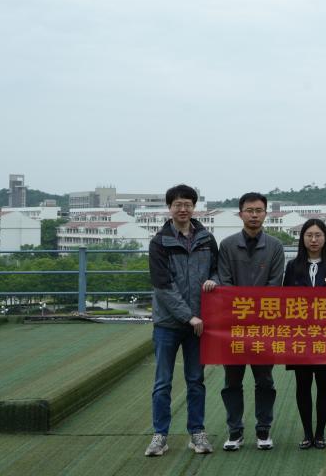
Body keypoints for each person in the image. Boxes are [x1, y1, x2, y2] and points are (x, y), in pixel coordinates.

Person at [145, 184, 218, 457]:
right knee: (162, 382)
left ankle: (197, 433)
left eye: (187, 204)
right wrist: (189, 317)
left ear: (194, 207)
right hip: (169, 324)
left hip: (199, 324)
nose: (183, 209)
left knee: (196, 380)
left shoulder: (206, 239)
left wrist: (215, 280)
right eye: (178, 204)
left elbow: (217, 271)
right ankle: (160, 436)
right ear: (170, 208)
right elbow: (162, 286)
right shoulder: (160, 242)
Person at [215, 192, 285, 451]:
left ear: (265, 213)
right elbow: (224, 283)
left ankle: (263, 430)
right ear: (240, 213)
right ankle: (235, 432)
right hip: (232, 325)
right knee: (232, 380)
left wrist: (256, 312)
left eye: (259, 210)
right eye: (249, 210)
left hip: (264, 325)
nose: (254, 215)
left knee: (264, 380)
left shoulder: (275, 246)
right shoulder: (227, 245)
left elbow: (274, 285)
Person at [283, 218, 326, 450]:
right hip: (300, 336)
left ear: (325, 238)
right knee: (302, 384)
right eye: (309, 235)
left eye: (318, 235)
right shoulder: (293, 266)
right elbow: (284, 301)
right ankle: (307, 433)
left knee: (324, 383)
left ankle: (320, 433)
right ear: (303, 239)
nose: (314, 239)